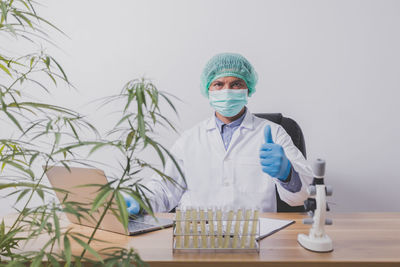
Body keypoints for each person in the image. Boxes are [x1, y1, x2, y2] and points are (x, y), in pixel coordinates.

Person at [125, 53, 313, 214]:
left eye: (236, 84)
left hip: (257, 235)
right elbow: (164, 188)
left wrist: (287, 174)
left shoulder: (273, 132)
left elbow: (302, 196)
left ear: (248, 88)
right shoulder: (190, 139)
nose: (227, 91)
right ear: (208, 89)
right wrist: (138, 201)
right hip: (198, 237)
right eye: (219, 84)